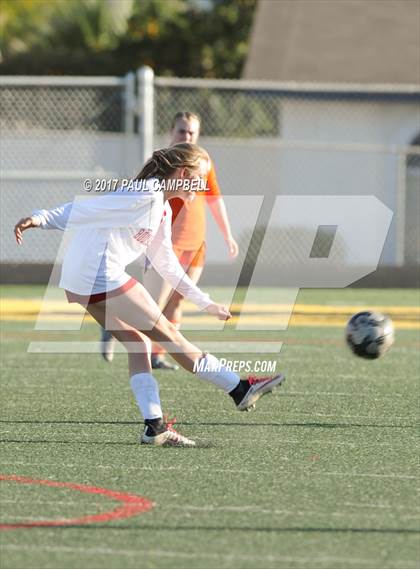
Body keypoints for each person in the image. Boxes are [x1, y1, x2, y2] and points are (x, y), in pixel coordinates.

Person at [14, 143, 285, 447]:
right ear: (184, 173)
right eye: (202, 177)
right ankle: (238, 389)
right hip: (97, 273)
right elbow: (88, 209)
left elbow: (167, 263)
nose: (204, 184)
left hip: (80, 278)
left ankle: (154, 427)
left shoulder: (163, 207)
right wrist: (42, 217)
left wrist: (204, 301)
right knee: (167, 333)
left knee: (138, 343)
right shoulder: (146, 195)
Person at [100, 111, 239, 368]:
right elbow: (138, 197)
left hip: (196, 243)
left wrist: (227, 234)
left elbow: (214, 198)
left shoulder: (203, 161)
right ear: (171, 132)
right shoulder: (164, 162)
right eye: (182, 131)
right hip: (168, 243)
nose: (187, 136)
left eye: (192, 132)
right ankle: (112, 325)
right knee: (151, 308)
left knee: (177, 301)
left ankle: (157, 355)